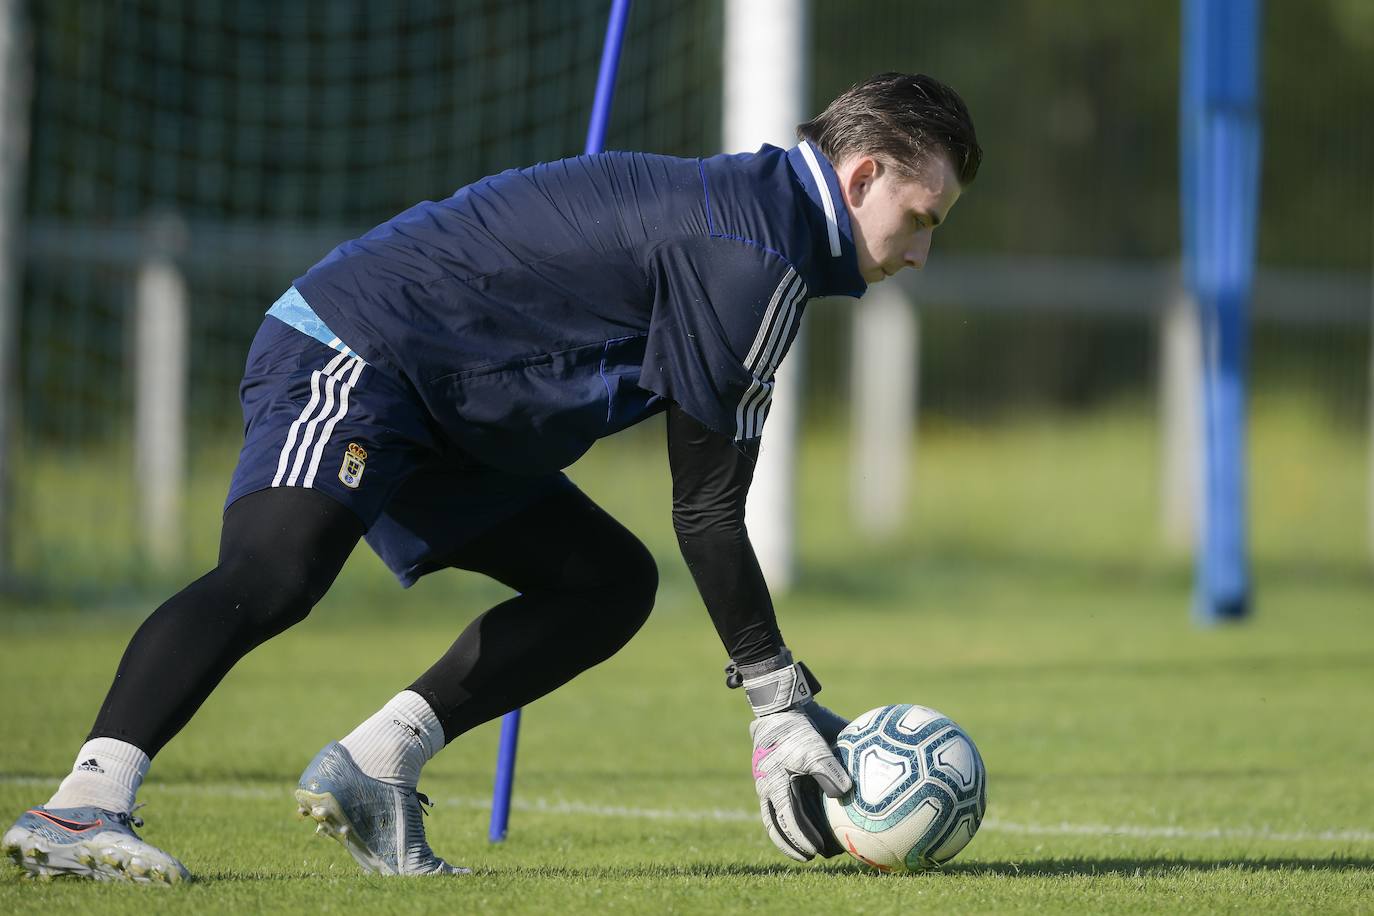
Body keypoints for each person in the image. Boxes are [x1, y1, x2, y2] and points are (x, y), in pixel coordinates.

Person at [3, 72, 979, 882]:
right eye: (922, 216)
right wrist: (774, 700)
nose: (923, 253)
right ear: (860, 177)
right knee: (274, 572)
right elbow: (710, 508)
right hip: (364, 346)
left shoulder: (765, 237)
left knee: (605, 582)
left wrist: (780, 690)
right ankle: (81, 810)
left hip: (457, 416)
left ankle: (376, 766)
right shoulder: (754, 252)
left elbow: (708, 499)